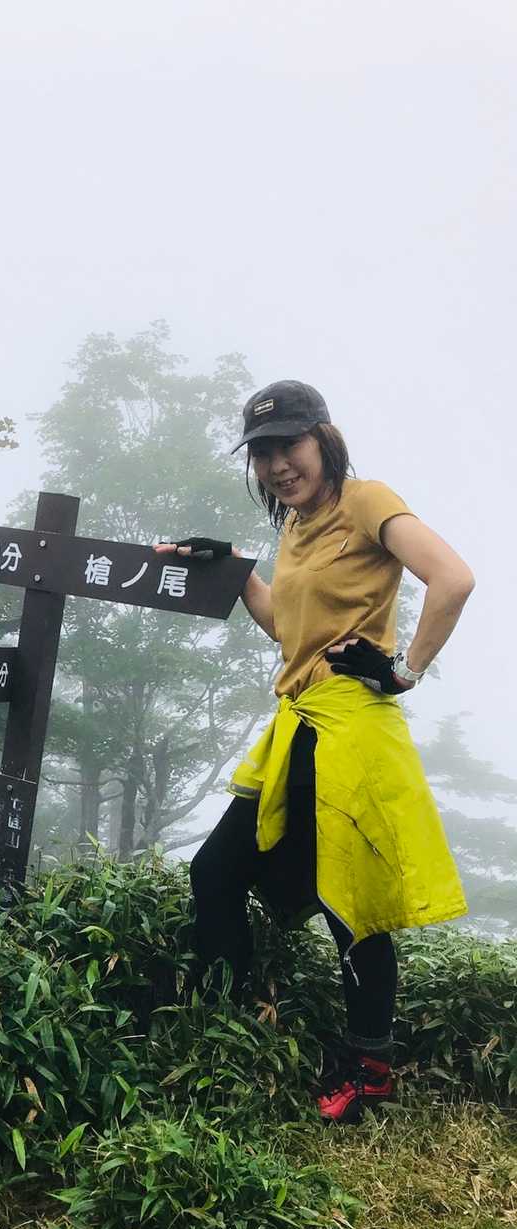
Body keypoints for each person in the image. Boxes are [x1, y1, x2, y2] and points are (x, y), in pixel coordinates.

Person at [159, 379, 475, 1123]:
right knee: (217, 871)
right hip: (298, 727)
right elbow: (288, 629)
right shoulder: (298, 528)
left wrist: (404, 670)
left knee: (350, 905)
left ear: (324, 439)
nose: (276, 465)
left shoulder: (367, 501)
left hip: (353, 732)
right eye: (262, 453)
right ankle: (231, 1027)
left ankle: (369, 1068)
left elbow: (454, 578)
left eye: (288, 446)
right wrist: (240, 570)